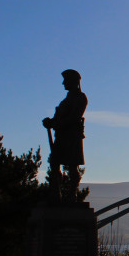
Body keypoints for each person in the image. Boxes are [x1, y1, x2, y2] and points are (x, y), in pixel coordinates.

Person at [43, 69, 87, 200]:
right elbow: (60, 117)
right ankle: (56, 193)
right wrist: (51, 122)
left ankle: (71, 194)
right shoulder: (67, 99)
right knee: (55, 163)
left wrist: (55, 124)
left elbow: (73, 118)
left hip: (72, 137)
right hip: (62, 136)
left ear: (73, 81)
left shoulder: (80, 98)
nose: (63, 83)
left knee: (72, 166)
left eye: (66, 80)